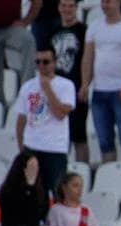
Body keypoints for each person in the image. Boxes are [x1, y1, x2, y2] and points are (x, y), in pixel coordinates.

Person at [81, 0, 121, 166]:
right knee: (104, 140)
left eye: (108, 1)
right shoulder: (94, 27)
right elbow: (88, 57)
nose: (105, 5)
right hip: (100, 90)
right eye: (103, 2)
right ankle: (110, 175)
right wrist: (85, 85)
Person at [14, 46, 75, 200]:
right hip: (32, 147)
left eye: (46, 62)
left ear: (55, 63)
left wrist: (47, 89)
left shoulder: (65, 85)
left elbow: (61, 114)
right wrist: (22, 148)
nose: (41, 66)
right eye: (38, 62)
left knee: (58, 192)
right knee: (32, 194)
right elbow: (21, 120)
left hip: (55, 148)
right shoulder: (27, 87)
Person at [46, 0, 90, 163]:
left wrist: (85, 85)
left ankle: (81, 170)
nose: (67, 9)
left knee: (79, 135)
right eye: (64, 6)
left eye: (71, 6)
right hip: (55, 89)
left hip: (77, 87)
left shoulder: (84, 31)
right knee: (57, 134)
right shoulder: (52, 31)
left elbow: (89, 59)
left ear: (76, 8)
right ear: (58, 8)